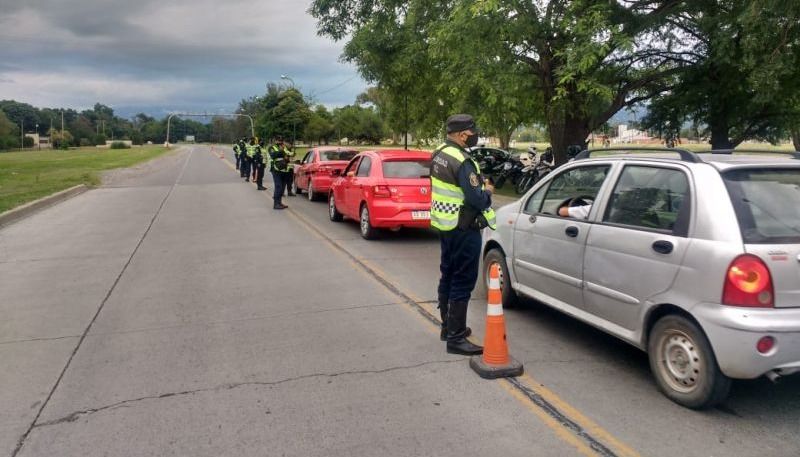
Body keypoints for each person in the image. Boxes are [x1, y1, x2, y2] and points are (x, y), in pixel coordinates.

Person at [430, 114, 497, 356]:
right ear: (461, 134)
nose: (474, 135)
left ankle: (448, 328)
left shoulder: (438, 153)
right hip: (464, 227)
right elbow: (476, 198)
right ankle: (456, 339)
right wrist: (488, 190)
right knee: (463, 279)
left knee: (447, 274)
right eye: (471, 132)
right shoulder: (462, 160)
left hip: (446, 225)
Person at [268, 136, 290, 209]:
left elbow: (286, 156)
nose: (280, 142)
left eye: (281, 141)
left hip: (284, 169)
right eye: (278, 141)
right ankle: (276, 204)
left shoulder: (283, 147)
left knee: (282, 187)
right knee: (278, 187)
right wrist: (281, 150)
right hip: (276, 169)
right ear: (275, 141)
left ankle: (280, 202)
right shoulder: (271, 148)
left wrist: (287, 158)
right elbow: (273, 155)